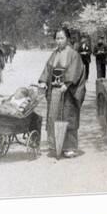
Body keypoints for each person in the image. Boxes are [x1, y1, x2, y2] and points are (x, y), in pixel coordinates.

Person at [38, 27, 86, 158]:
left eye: (62, 38)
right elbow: (48, 69)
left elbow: (75, 70)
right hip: (54, 90)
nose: (59, 41)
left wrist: (68, 83)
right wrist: (43, 81)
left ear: (68, 39)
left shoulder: (73, 54)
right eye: (57, 38)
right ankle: (55, 144)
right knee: (54, 115)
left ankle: (69, 147)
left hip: (68, 91)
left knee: (67, 116)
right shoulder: (54, 54)